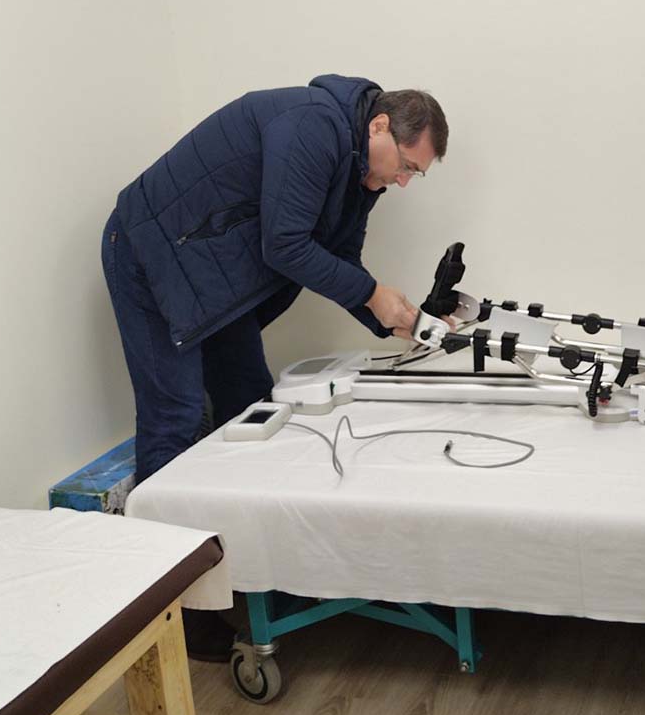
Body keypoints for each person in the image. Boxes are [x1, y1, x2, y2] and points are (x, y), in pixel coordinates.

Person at [101, 74, 448, 660]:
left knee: (251, 404)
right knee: (174, 417)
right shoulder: (313, 124)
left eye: (416, 174)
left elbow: (338, 258)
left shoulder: (360, 169)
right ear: (380, 125)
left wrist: (396, 319)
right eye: (408, 167)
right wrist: (372, 295)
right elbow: (285, 244)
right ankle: (178, 617)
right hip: (153, 254)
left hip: (214, 272)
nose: (404, 181)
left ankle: (251, 576)